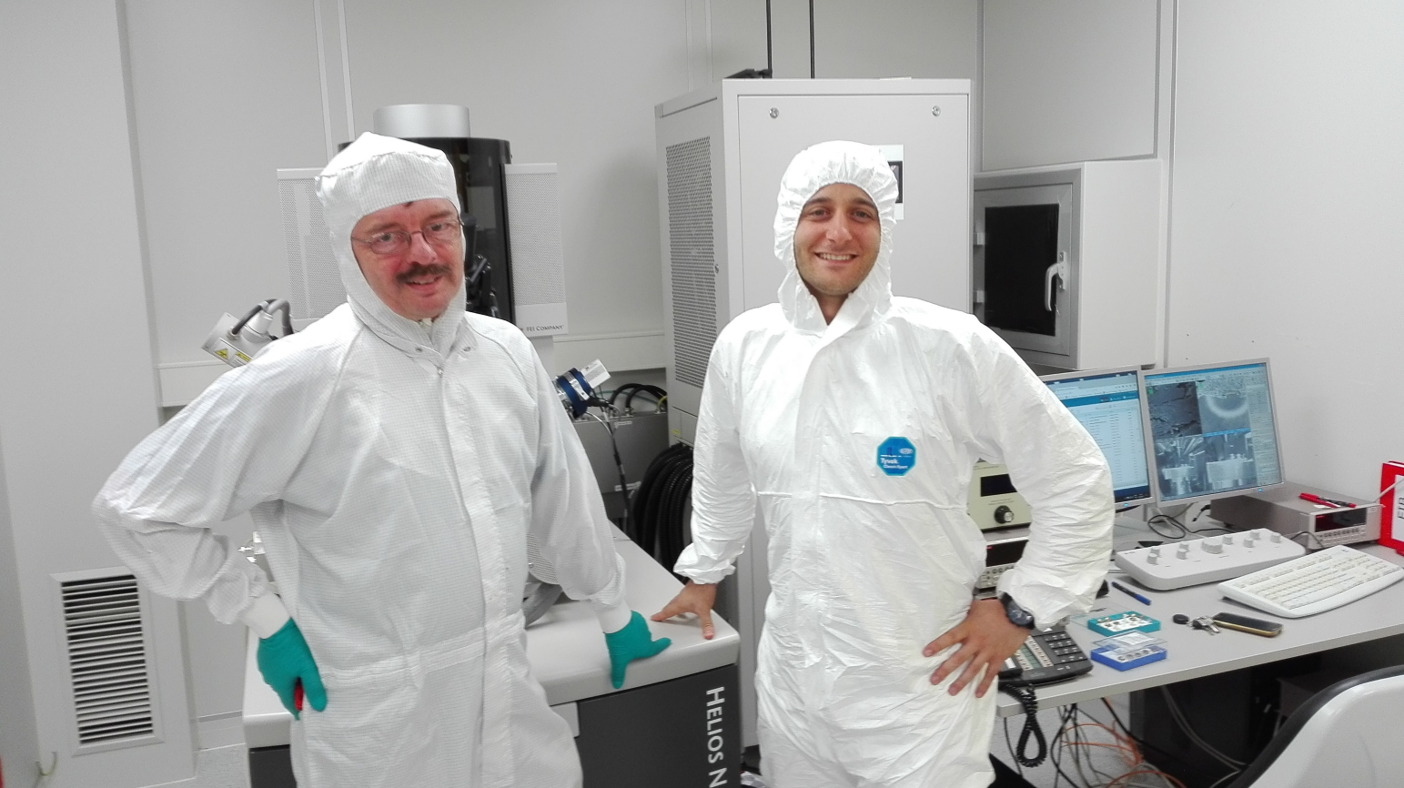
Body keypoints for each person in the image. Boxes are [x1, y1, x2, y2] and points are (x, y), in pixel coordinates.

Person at [93, 132, 669, 788]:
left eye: (437, 225)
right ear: (348, 250)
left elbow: (558, 497)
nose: (422, 253)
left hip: (507, 702)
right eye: (387, 235)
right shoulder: (304, 374)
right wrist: (263, 617)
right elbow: (137, 508)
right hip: (381, 729)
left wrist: (613, 609)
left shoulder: (505, 353)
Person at [653, 140, 1113, 788]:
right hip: (797, 689)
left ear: (884, 230)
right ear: (790, 223)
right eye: (819, 210)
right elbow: (722, 473)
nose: (838, 231)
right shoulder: (746, 348)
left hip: (918, 697)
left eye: (860, 212)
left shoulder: (949, 347)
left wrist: (1021, 608)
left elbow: (1077, 477)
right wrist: (704, 570)